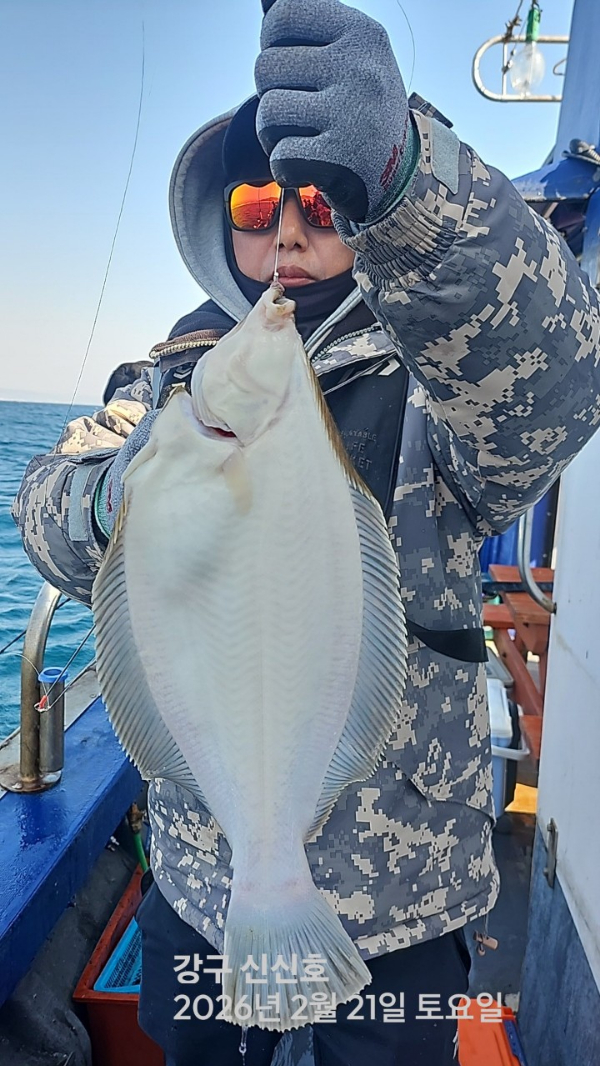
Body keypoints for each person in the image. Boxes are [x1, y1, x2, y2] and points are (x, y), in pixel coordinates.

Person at [12, 1, 600, 1063]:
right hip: (202, 883)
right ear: (217, 222)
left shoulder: (440, 384)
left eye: (324, 197)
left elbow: (552, 386)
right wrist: (106, 498)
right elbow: (46, 510)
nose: (286, 225)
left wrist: (412, 178)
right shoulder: (160, 387)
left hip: (408, 905)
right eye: (254, 200)